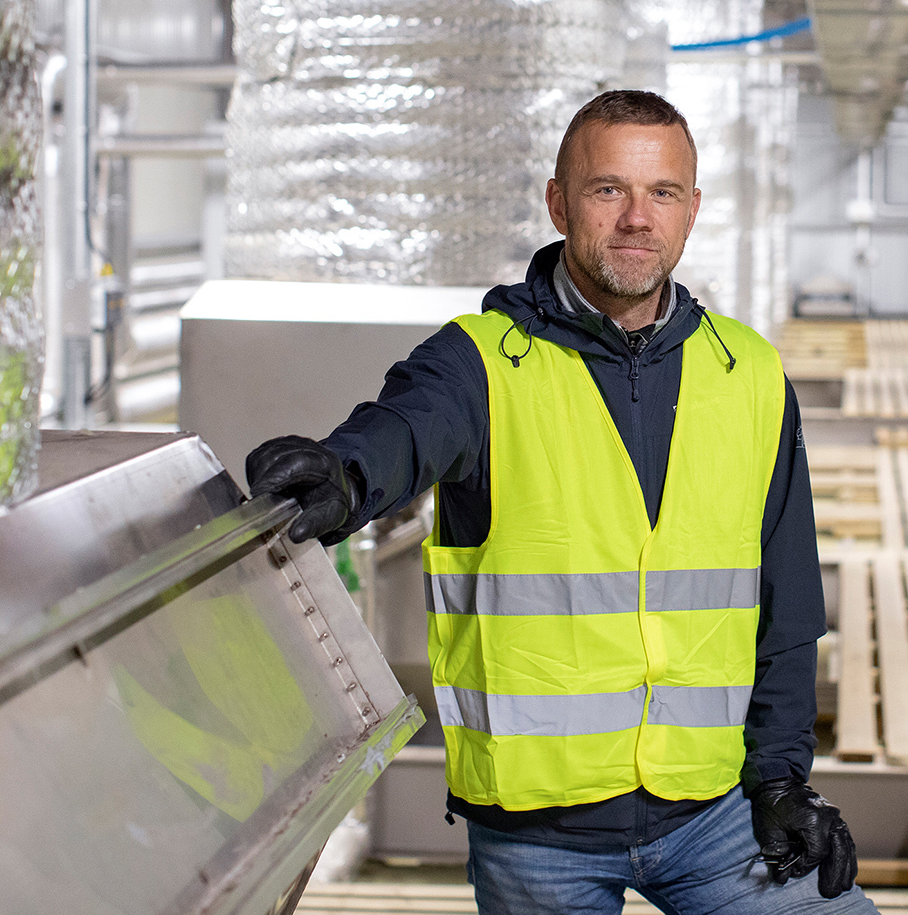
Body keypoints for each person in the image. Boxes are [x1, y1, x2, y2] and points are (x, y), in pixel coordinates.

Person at [244, 90, 874, 915]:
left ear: (692, 211)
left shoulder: (748, 373)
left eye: (664, 194)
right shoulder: (480, 364)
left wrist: (784, 779)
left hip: (713, 813)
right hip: (537, 834)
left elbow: (787, 605)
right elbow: (402, 432)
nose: (637, 219)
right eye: (608, 190)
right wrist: (345, 476)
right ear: (558, 203)